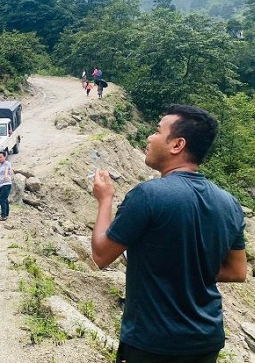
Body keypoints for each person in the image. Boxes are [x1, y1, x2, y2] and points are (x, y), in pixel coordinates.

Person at [91, 105, 246, 362]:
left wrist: (105, 199)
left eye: (157, 131)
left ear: (177, 145)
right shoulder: (230, 204)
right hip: (206, 341)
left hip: (152, 342)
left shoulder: (149, 195)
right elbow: (237, 271)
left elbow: (100, 254)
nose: (149, 137)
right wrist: (190, 266)